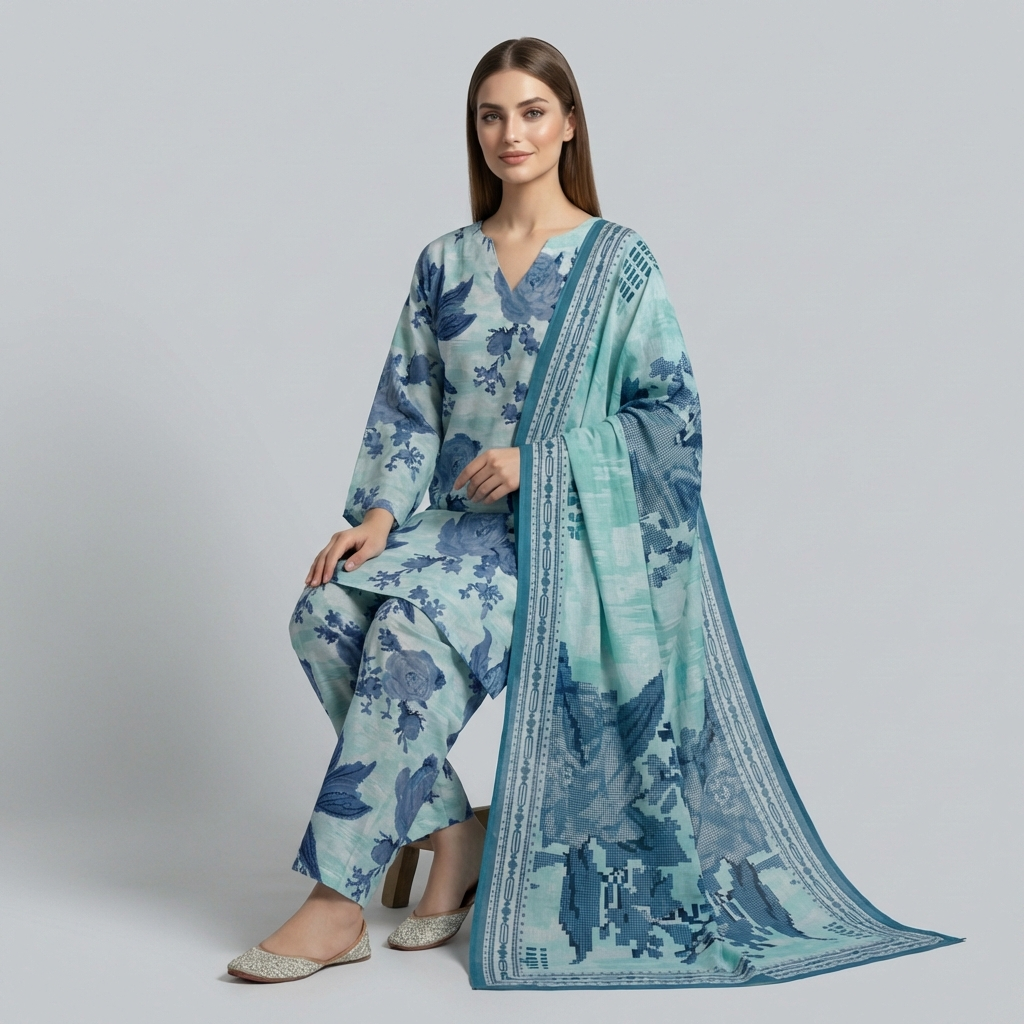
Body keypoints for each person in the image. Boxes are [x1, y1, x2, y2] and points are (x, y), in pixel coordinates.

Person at [228, 37, 959, 988]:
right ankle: (453, 833)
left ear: (569, 123)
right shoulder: (444, 262)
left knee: (407, 634)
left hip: (557, 538)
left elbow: (672, 419)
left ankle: (335, 904)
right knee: (323, 612)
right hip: (446, 529)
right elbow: (410, 405)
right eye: (492, 115)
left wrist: (539, 462)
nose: (512, 133)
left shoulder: (617, 265)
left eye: (532, 112)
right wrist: (376, 513)